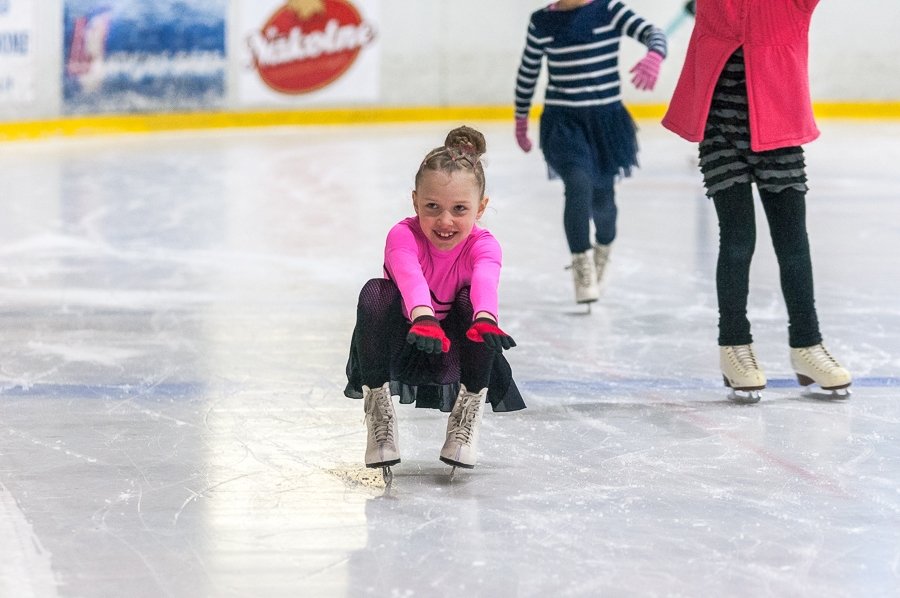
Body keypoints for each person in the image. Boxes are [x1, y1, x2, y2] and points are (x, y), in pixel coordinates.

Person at [662, 0, 852, 400]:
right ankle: (734, 346)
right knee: (737, 241)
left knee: (792, 242)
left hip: (780, 133)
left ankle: (807, 345)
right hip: (721, 133)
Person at [344, 126, 525, 477]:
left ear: (481, 208)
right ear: (415, 202)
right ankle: (379, 412)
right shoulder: (402, 234)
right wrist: (423, 317)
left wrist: (486, 318)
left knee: (470, 306)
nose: (445, 221)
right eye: (432, 207)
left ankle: (467, 414)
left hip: (455, 349)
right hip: (402, 343)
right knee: (376, 293)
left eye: (459, 209)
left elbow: (485, 281)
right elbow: (409, 276)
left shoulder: (484, 245)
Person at [514, 0, 667, 305]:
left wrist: (655, 54)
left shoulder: (609, 10)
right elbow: (528, 72)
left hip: (606, 125)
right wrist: (521, 119)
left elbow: (654, 33)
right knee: (578, 183)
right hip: (564, 124)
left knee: (603, 202)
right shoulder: (541, 21)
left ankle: (603, 249)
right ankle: (581, 263)